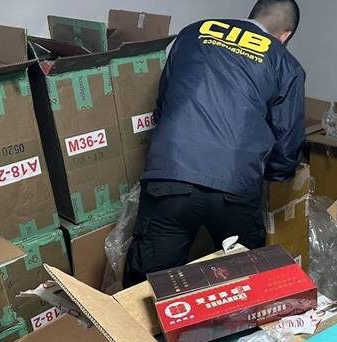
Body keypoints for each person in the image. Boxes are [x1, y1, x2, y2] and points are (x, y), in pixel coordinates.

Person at [124, 0, 305, 287]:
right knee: (243, 284)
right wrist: (274, 174)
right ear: (286, 35)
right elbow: (286, 144)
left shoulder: (193, 32)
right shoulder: (284, 62)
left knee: (147, 286)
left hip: (170, 176)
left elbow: (165, 103)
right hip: (235, 187)